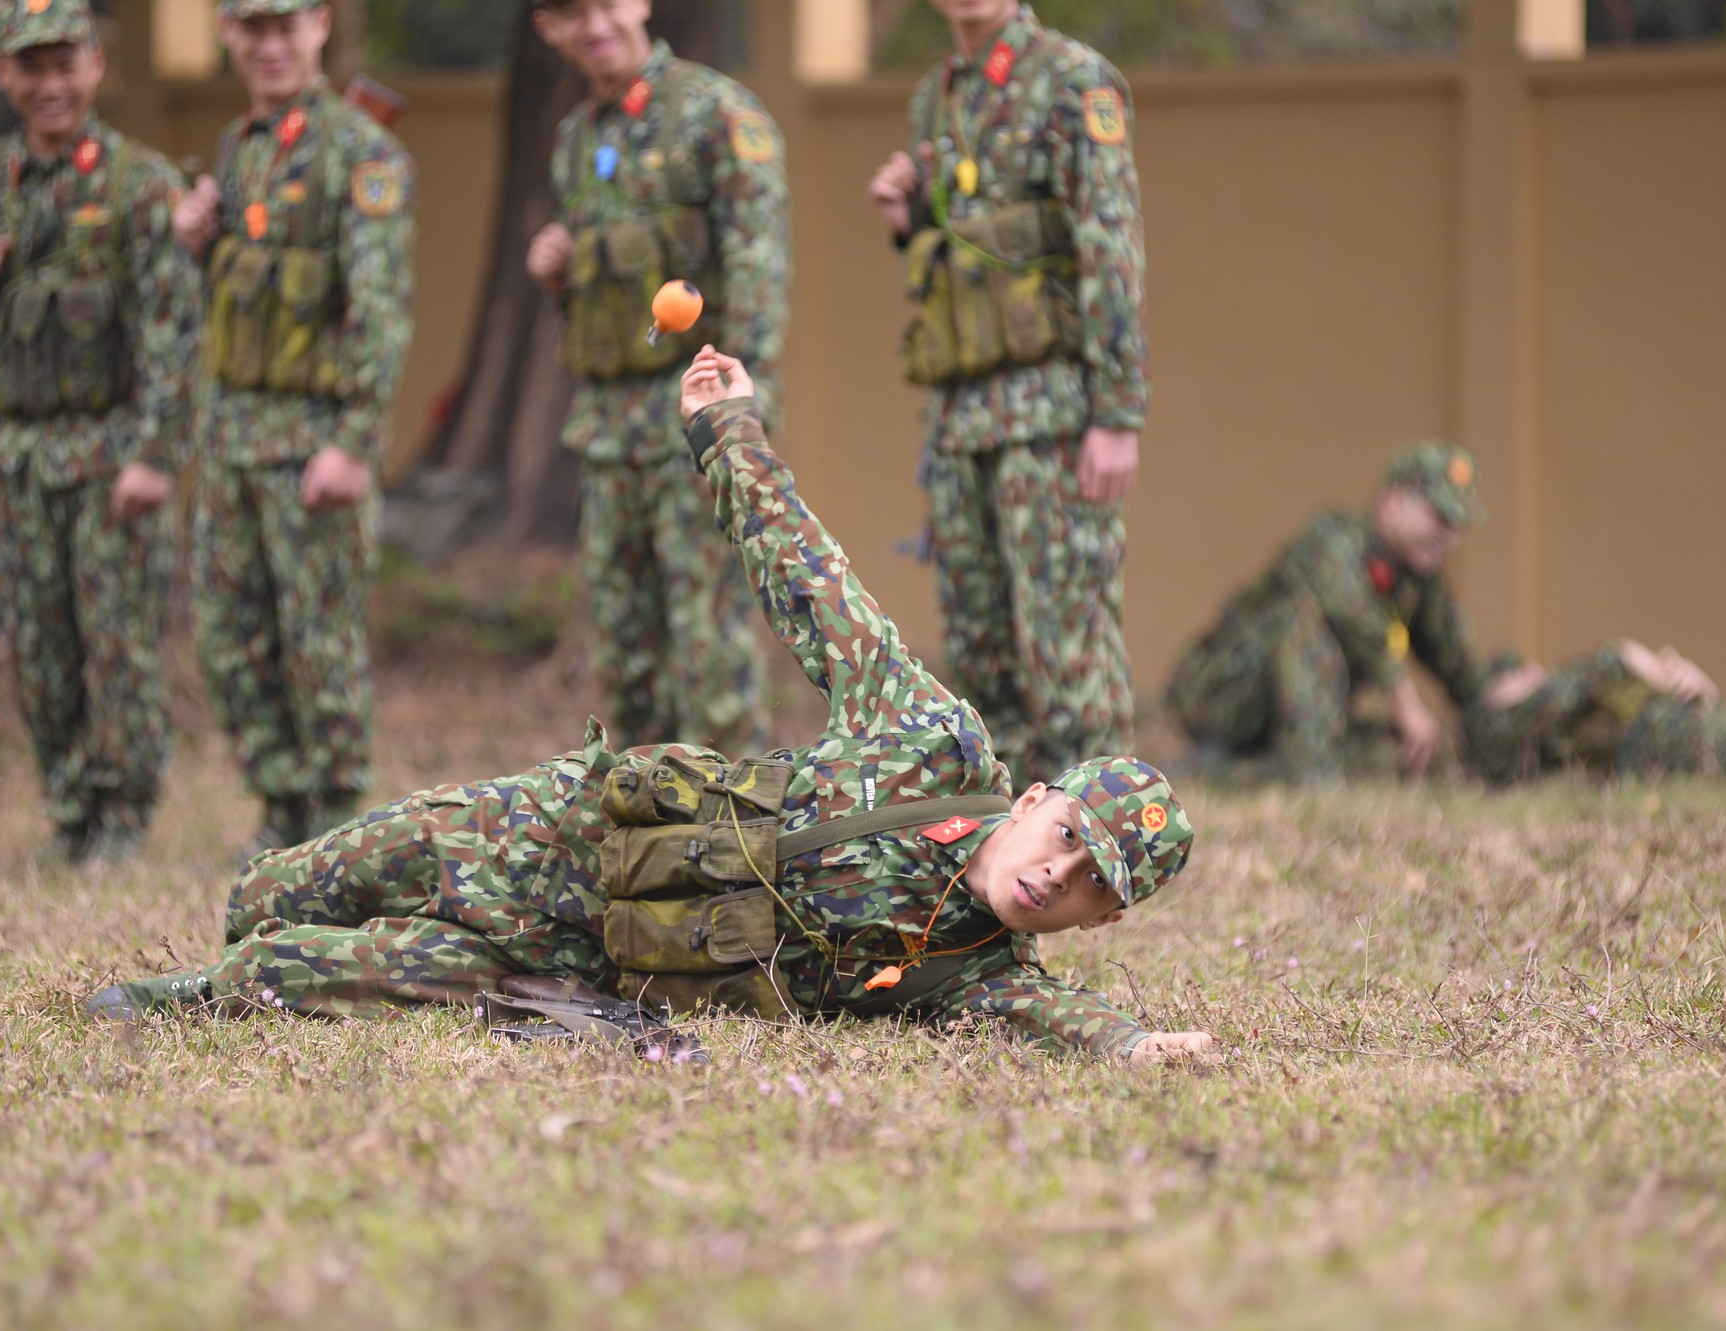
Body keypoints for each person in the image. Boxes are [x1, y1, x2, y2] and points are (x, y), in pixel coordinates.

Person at [87, 348, 1213, 1063]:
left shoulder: (971, 977)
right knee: (273, 891)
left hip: (580, 964)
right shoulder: (930, 742)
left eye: (1084, 887)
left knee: (279, 973)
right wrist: (727, 436)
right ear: (1030, 797)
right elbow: (814, 586)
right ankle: (243, 929)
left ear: (1095, 923)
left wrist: (1138, 1043)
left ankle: (191, 993)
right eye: (1064, 836)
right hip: (557, 826)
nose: (1053, 874)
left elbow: (1070, 1027)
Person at [0, 0, 198, 864]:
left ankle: (122, 816)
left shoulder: (139, 184)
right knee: (38, 639)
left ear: (96, 65)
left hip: (109, 447)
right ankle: (68, 809)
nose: (50, 84)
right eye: (30, 67)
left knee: (116, 640)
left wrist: (155, 455)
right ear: (3, 74)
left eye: (64, 63)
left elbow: (172, 332)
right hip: (15, 452)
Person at [867, 0, 1148, 790]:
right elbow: (969, 253)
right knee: (981, 652)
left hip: (1051, 413)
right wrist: (910, 219)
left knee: (1067, 648)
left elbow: (1109, 244)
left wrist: (1117, 412)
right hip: (959, 417)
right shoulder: (938, 94)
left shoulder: (1073, 82)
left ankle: (1102, 838)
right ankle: (1011, 858)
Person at [172, 0, 416, 854]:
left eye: (286, 24)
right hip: (234, 434)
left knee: (319, 640)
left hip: (312, 437)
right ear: (230, 35)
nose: (270, 44)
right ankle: (279, 811)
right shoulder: (239, 152)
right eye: (252, 27)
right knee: (233, 638)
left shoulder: (363, 150)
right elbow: (238, 298)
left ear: (320, 24)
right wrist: (197, 244)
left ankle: (338, 821)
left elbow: (380, 310)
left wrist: (353, 440)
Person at [524, 0, 789, 757]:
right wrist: (557, 273)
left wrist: (741, 411)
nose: (596, 24)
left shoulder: (716, 114)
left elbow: (758, 268)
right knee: (624, 651)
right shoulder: (577, 138)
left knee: (711, 647)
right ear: (547, 27)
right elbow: (612, 288)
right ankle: (649, 834)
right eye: (572, 12)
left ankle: (738, 834)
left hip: (694, 417)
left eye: (608, 3)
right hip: (607, 425)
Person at [1164, 442, 1490, 783]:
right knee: (1303, 620)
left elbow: (1457, 660)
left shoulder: (1418, 581)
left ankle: (1242, 774)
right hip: (1226, 704)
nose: (1448, 538)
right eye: (1439, 518)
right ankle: (1301, 776)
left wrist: (1496, 691)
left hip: (1298, 727)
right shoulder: (1332, 541)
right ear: (1393, 503)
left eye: (1457, 526)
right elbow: (1353, 614)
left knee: (1403, 752)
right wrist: (1404, 700)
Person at [1465, 639, 1726, 786]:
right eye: (1517, 674)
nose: (1533, 674)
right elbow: (1596, 671)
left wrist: (1687, 681)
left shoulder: (1561, 701)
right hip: (1656, 743)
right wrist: (1623, 657)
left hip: (1672, 725)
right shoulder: (1500, 733)